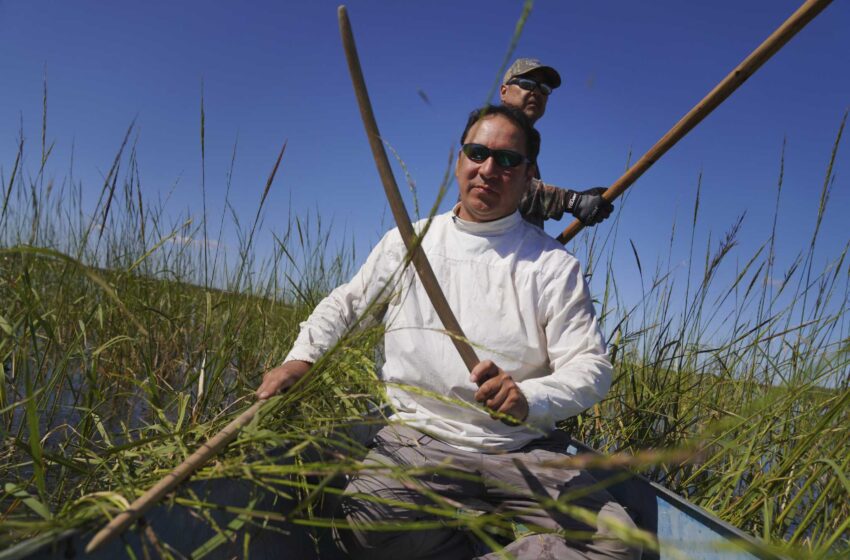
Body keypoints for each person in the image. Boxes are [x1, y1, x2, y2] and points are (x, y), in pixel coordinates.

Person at [257, 105, 639, 559]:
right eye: (477, 153)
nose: (488, 169)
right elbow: (348, 304)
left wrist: (528, 398)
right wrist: (302, 358)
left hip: (518, 446)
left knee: (616, 544)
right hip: (418, 435)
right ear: (459, 160)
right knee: (362, 529)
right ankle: (475, 541)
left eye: (507, 160)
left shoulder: (554, 265)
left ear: (529, 175)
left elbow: (591, 368)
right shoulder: (410, 240)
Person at [500, 57, 614, 228]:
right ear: (504, 91)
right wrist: (571, 201)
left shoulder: (526, 143)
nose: (537, 92)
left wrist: (581, 198)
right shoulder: (494, 131)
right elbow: (502, 183)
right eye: (526, 84)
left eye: (544, 89)